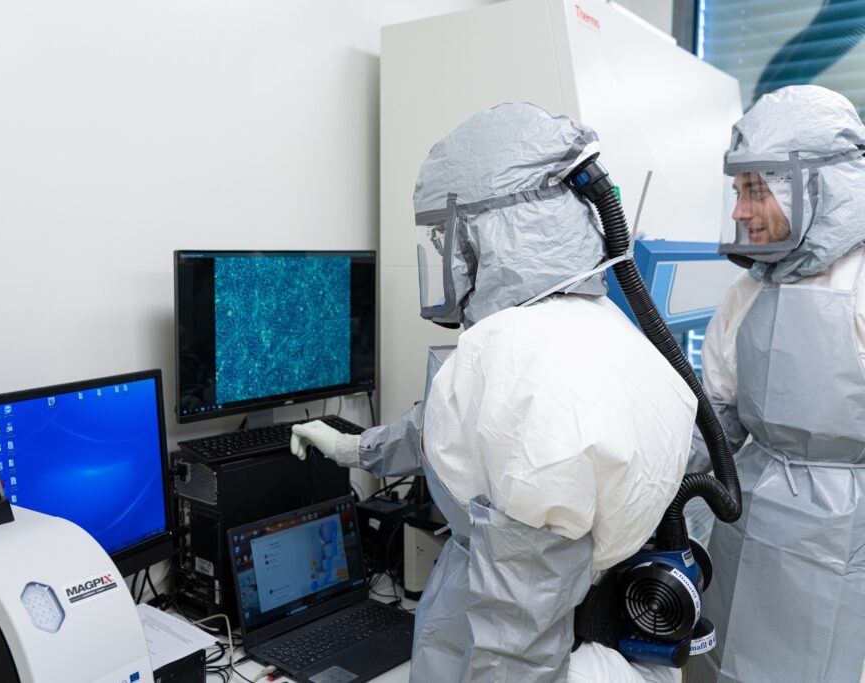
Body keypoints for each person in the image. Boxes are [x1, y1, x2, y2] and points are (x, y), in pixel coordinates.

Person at [291, 102, 697, 682]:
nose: (441, 255)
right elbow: (452, 430)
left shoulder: (515, 356)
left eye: (442, 235)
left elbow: (519, 626)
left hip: (530, 649)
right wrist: (353, 448)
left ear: (483, 231)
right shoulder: (610, 330)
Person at [687, 85, 865, 683]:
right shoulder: (746, 292)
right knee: (726, 659)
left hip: (844, 542)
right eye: (738, 191)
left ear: (816, 186)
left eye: (756, 190)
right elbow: (713, 425)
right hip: (746, 525)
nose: (740, 211)